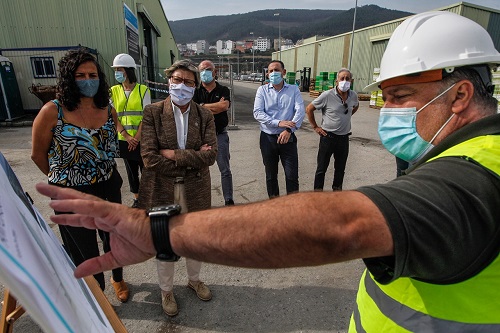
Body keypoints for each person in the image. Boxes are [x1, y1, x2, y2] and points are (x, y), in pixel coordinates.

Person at [37, 11, 500, 332]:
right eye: (387, 97)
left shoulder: (479, 173)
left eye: (400, 97)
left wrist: (157, 231)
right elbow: (154, 154)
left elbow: (342, 225)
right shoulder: (457, 154)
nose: (386, 111)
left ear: (458, 96)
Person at [31, 48, 129, 303]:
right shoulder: (53, 111)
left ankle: (117, 278)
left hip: (107, 187)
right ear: (68, 78)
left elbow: (110, 148)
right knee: (84, 251)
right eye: (81, 75)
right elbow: (37, 155)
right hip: (71, 194)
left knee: (114, 240)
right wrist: (64, 179)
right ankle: (96, 299)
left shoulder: (107, 109)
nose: (88, 80)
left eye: (93, 74)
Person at [137, 59, 217, 317]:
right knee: (165, 243)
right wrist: (191, 158)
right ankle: (166, 290)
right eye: (177, 80)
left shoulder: (204, 115)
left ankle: (194, 280)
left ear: (195, 86)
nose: (182, 86)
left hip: (196, 189)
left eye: (188, 82)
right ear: (168, 81)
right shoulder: (153, 112)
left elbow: (211, 155)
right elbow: (149, 157)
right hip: (162, 188)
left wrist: (173, 154)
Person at [253, 60, 305, 198]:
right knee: (271, 176)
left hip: (288, 137)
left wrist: (289, 130)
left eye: (276, 70)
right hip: (268, 138)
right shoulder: (262, 90)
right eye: (270, 71)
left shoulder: (293, 90)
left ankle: (293, 207)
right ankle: (274, 205)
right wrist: (278, 123)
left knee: (292, 176)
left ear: (284, 72)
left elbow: (300, 111)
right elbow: (258, 112)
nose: (273, 73)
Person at [305, 68, 359, 191]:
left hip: (344, 138)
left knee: (340, 169)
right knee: (321, 169)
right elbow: (309, 109)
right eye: (342, 78)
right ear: (336, 81)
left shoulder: (353, 95)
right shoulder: (327, 95)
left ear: (351, 81)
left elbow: (355, 106)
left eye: (347, 79)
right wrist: (315, 127)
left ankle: (337, 193)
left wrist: (347, 115)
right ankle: (317, 195)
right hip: (328, 137)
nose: (344, 81)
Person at [110, 53, 151, 208]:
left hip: (142, 139)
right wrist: (126, 136)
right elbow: (113, 116)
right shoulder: (113, 91)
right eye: (116, 70)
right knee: (131, 172)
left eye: (119, 69)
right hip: (124, 139)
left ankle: (148, 198)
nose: (117, 73)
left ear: (128, 70)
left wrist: (137, 137)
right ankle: (137, 199)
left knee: (146, 170)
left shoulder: (143, 90)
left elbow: (146, 116)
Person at [193, 60, 234, 206]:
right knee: (198, 170)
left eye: (208, 69)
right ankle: (199, 202)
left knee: (225, 169)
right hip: (200, 137)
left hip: (219, 135)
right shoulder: (195, 91)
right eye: (202, 70)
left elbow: (224, 106)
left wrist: (203, 106)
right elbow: (194, 110)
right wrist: (214, 107)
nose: (205, 72)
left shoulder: (223, 90)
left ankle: (228, 200)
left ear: (215, 72)